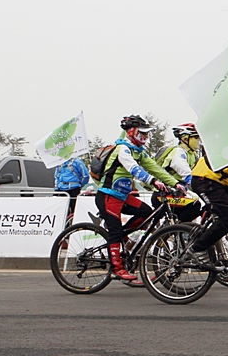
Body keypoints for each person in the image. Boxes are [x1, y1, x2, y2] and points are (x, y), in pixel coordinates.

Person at [94, 115, 186, 285]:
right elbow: (135, 169)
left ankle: (122, 237)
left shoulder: (138, 151)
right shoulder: (122, 149)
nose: (146, 136)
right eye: (142, 133)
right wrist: (153, 182)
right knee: (115, 231)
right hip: (108, 196)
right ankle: (117, 268)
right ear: (131, 132)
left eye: (147, 133)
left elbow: (155, 168)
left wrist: (175, 183)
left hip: (123, 197)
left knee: (146, 213)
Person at [152, 125, 203, 223]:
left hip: (176, 194)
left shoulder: (193, 155)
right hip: (162, 194)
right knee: (194, 206)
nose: (198, 141)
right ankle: (175, 229)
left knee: (195, 206)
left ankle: (177, 227)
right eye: (195, 137)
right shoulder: (178, 153)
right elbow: (187, 175)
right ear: (185, 139)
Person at [54, 153, 90, 221]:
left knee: (74, 211)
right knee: (61, 211)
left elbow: (85, 175)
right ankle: (64, 225)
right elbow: (57, 176)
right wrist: (57, 187)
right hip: (62, 190)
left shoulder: (77, 161)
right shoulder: (60, 162)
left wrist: (80, 184)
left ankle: (74, 224)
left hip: (74, 189)